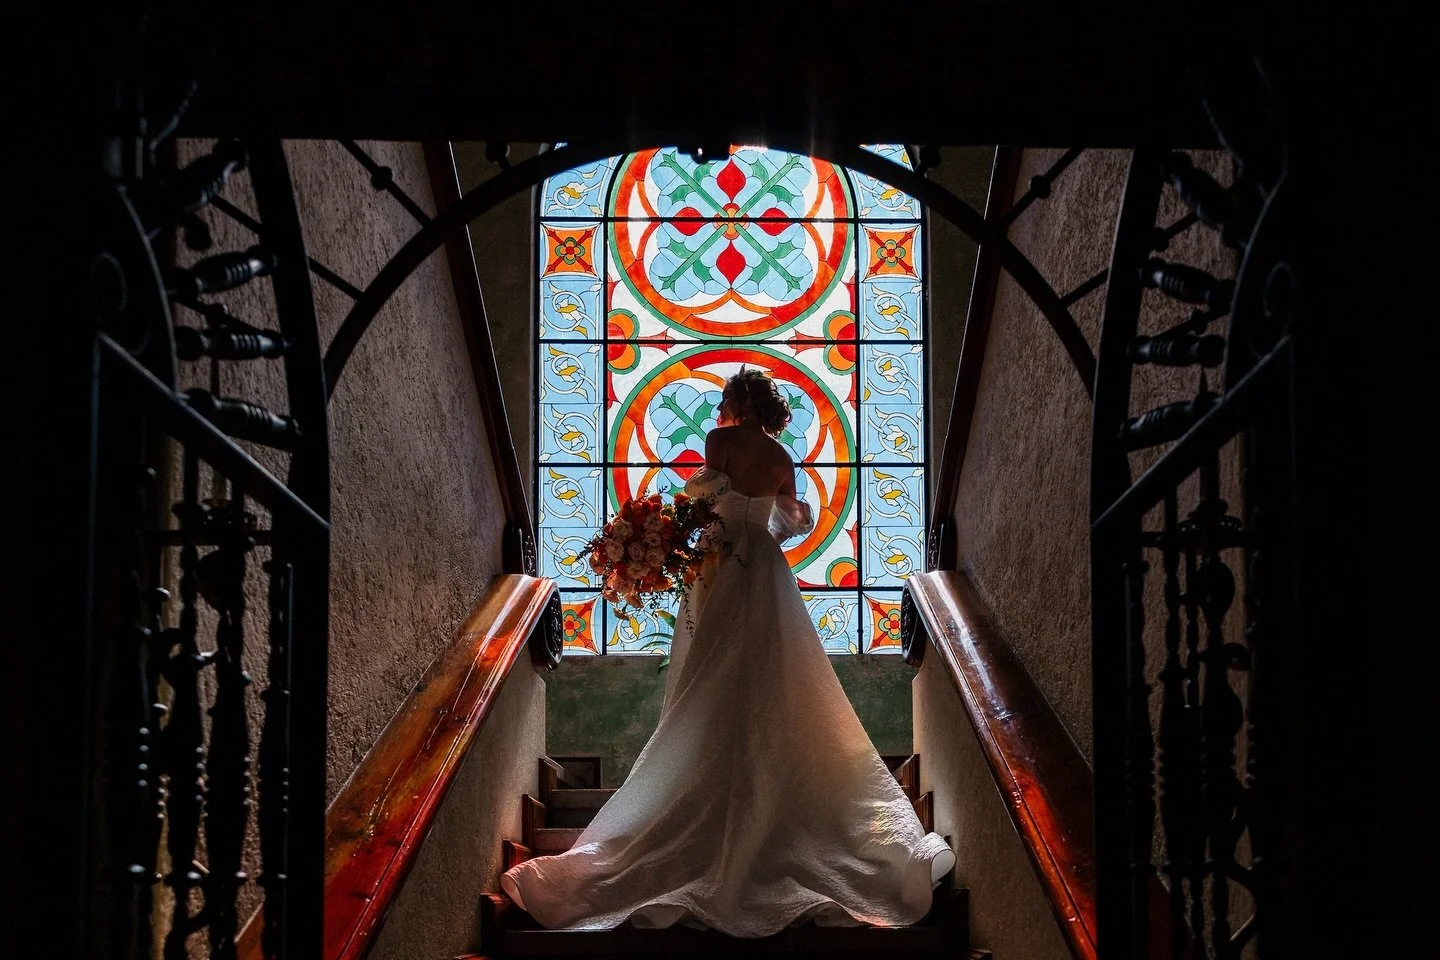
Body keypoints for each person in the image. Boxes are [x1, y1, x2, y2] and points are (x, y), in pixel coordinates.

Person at [500, 368, 954, 935]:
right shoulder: (782, 458)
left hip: (724, 564)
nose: (718, 407)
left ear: (739, 401)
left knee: (713, 679)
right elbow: (791, 518)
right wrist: (762, 512)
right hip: (765, 565)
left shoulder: (720, 442)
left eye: (723, 398)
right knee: (769, 677)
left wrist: (670, 534)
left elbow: (703, 503)